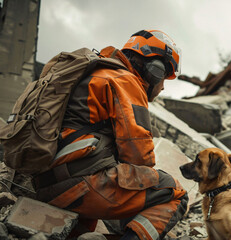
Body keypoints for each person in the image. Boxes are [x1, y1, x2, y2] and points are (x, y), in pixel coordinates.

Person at [32, 30, 188, 240]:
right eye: (164, 77)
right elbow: (139, 159)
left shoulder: (97, 72)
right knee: (174, 192)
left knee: (107, 174)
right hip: (78, 186)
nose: (163, 87)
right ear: (154, 70)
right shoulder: (125, 81)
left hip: (44, 182)